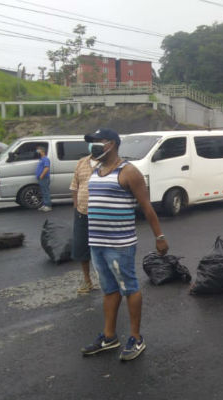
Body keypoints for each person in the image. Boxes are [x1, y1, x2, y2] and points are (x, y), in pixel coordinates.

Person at [80, 128, 168, 362]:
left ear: (113, 144)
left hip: (120, 244)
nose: (94, 145)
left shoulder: (129, 172)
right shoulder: (96, 171)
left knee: (129, 288)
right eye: (92, 142)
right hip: (97, 243)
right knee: (109, 289)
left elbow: (147, 207)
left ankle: (136, 337)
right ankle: (109, 337)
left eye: (99, 141)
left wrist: (159, 237)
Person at [70, 152, 99, 294]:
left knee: (103, 248)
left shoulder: (109, 163)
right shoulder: (81, 162)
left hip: (102, 215)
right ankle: (87, 280)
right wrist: (76, 207)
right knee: (82, 247)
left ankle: (108, 280)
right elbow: (74, 186)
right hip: (82, 213)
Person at [36, 146, 51, 212]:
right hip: (41, 178)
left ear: (42, 151)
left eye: (38, 150)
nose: (37, 152)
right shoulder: (41, 159)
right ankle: (44, 205)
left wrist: (41, 175)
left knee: (46, 192)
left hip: (44, 178)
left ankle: (48, 206)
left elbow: (46, 168)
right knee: (43, 192)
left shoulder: (45, 159)